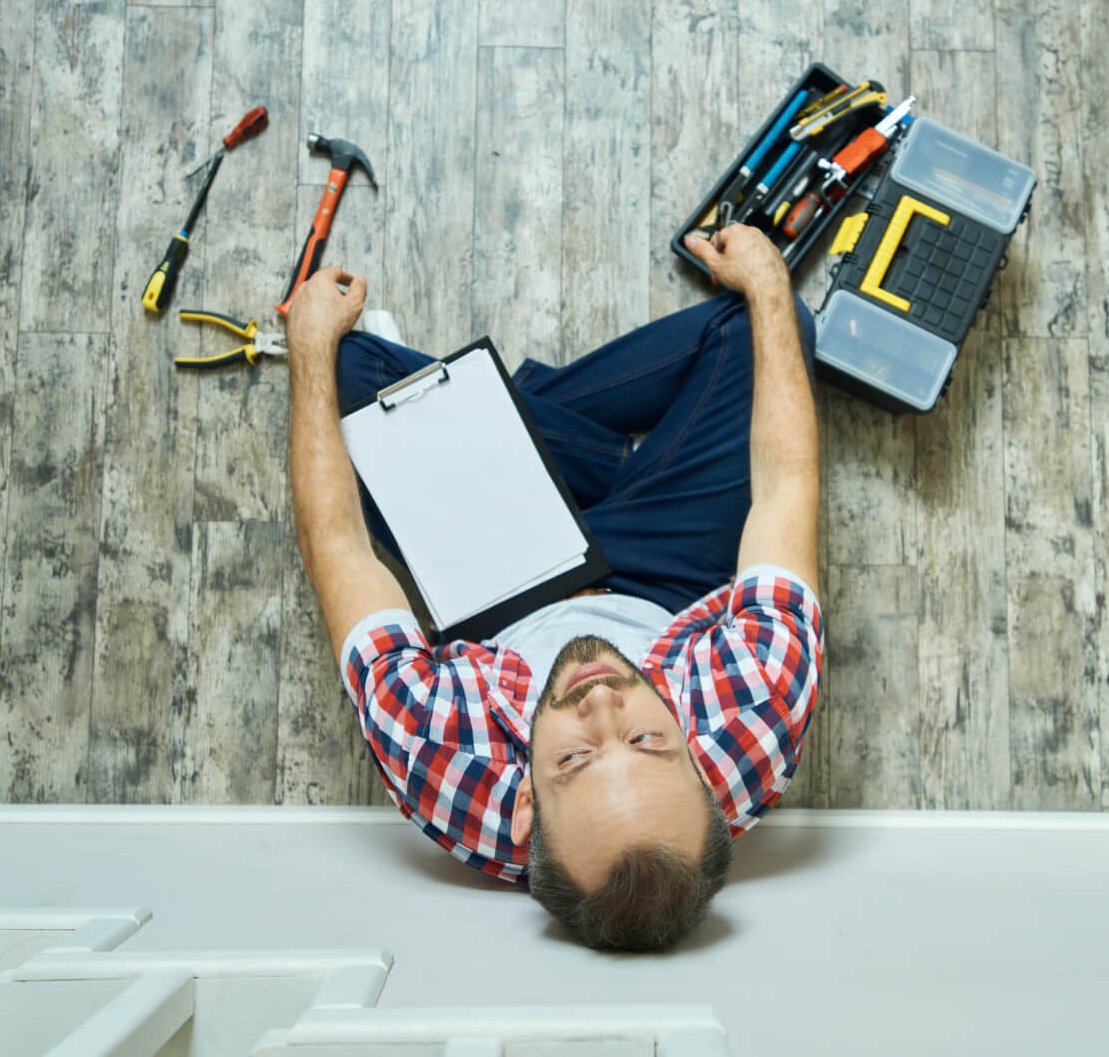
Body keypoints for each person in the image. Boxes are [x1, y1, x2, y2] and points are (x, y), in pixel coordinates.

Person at [283, 225, 824, 952]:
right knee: (766, 320)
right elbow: (785, 488)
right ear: (702, 761)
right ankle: (570, 455)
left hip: (499, 589)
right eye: (646, 738)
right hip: (666, 577)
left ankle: (547, 444)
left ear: (526, 803)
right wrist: (766, 280)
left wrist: (309, 348)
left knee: (344, 372)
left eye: (574, 757)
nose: (601, 699)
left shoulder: (437, 750)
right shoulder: (754, 709)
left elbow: (339, 545)